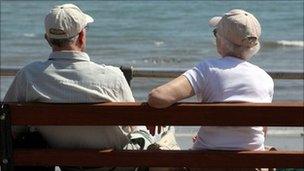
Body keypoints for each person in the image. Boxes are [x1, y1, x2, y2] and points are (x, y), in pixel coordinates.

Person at [4, 3, 178, 171]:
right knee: (166, 130)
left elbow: (9, 128)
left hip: (66, 163)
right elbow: (133, 125)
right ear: (81, 36)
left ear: (47, 39)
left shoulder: (28, 76)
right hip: (117, 164)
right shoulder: (112, 76)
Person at [148, 9, 274, 151]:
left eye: (216, 33)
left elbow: (157, 97)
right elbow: (260, 134)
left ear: (222, 40)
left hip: (204, 164)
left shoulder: (207, 69)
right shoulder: (266, 79)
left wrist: (155, 115)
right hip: (252, 165)